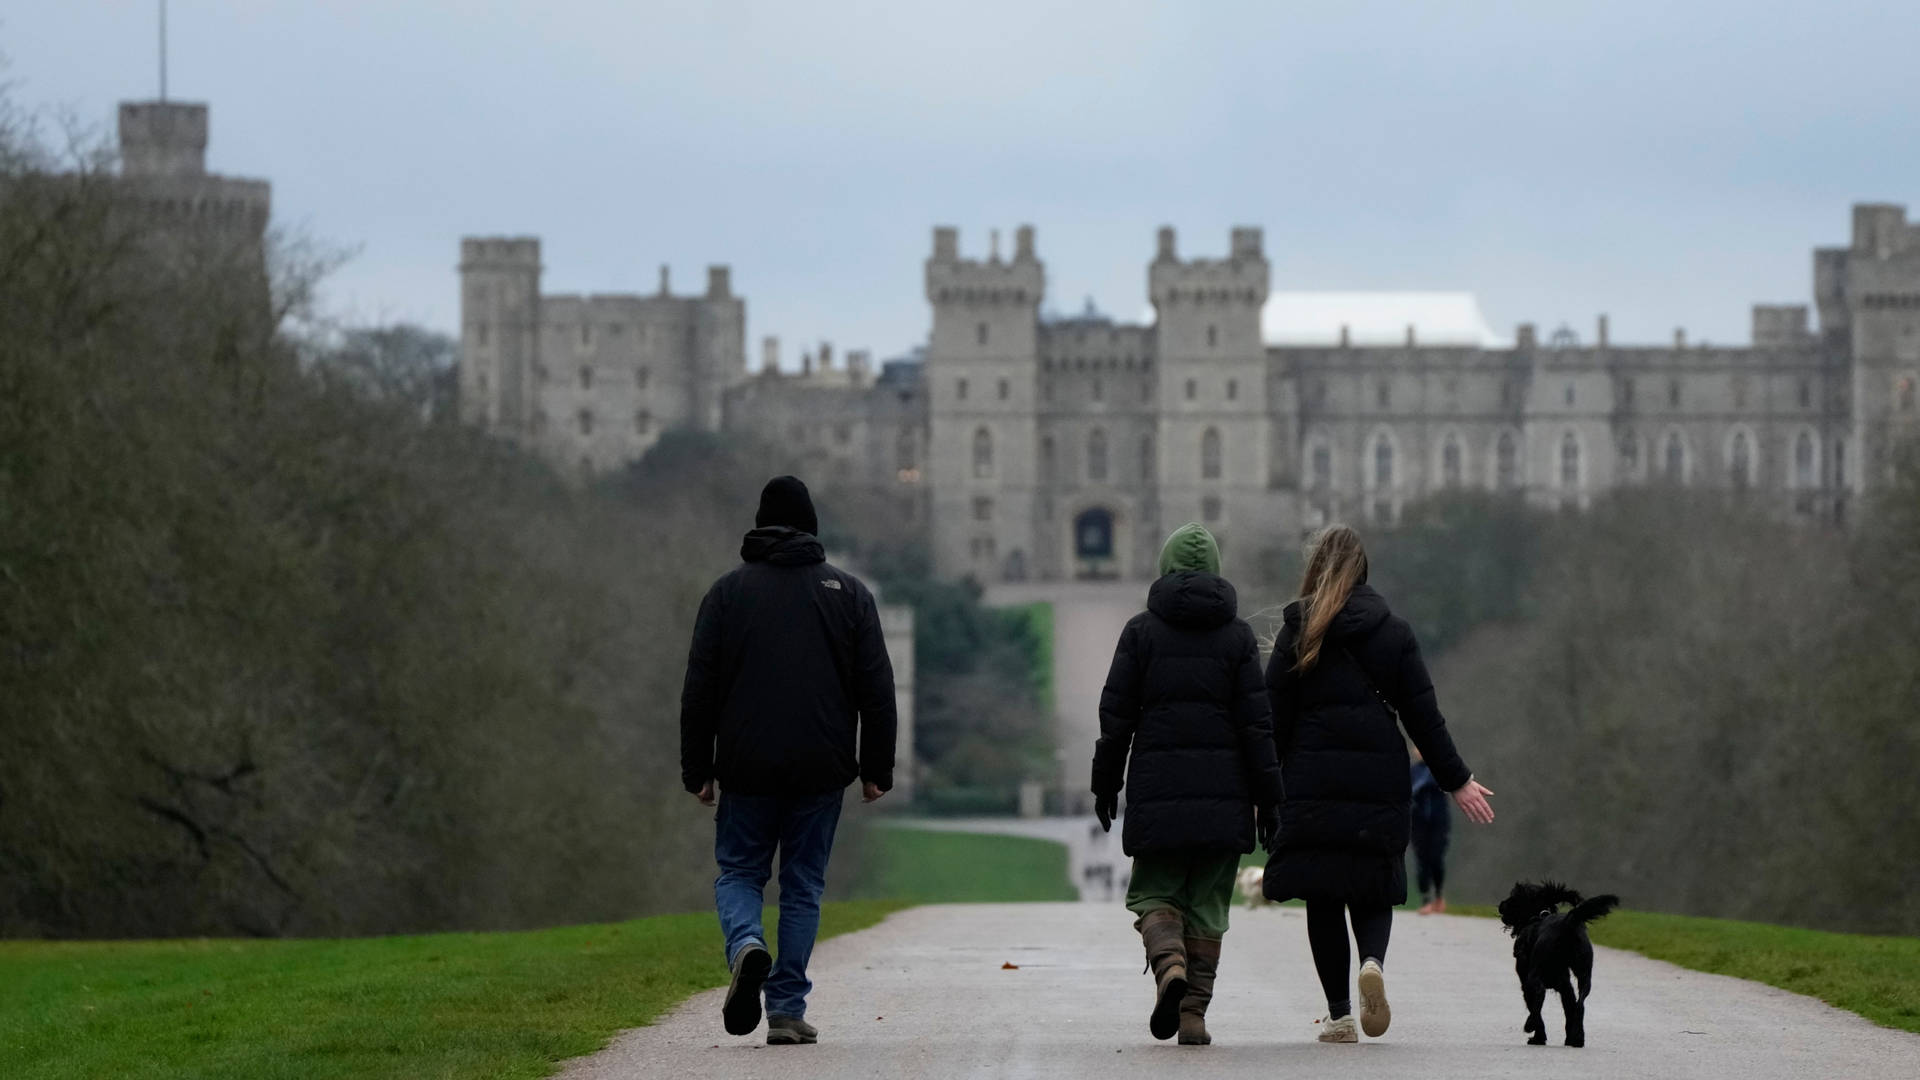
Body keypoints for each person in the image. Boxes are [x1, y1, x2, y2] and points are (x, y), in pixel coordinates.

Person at [678, 475, 898, 1046]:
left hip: (746, 763)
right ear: (812, 527)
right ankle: (785, 1008)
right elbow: (876, 688)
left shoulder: (726, 594)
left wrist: (696, 767)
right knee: (802, 886)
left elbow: (699, 690)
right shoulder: (848, 594)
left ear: (759, 525)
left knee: (740, 871)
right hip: (821, 764)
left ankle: (747, 943)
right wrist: (877, 767)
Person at [1263, 524, 1494, 1044]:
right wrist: (1458, 780)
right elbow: (1424, 719)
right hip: (1377, 778)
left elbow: (1270, 719)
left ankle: (1341, 1015)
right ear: (1364, 572)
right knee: (1372, 884)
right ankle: (1372, 963)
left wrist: (1263, 789)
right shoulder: (1394, 633)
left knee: (1323, 896)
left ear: (1316, 570)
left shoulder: (1299, 631)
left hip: (1312, 779)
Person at [1092, 523, 1284, 1046]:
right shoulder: (1240, 636)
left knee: (1155, 892)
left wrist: (1104, 783)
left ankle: (1169, 964)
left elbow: (1116, 719)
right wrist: (1271, 801)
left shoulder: (1140, 632)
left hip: (1159, 794)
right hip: (1226, 801)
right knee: (1208, 906)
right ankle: (1194, 1014)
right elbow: (1256, 726)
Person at [1408, 749, 1451, 914]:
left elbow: (1447, 784)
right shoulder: (1413, 771)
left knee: (1436, 858)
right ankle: (1426, 900)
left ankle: (1439, 896)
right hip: (1418, 822)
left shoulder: (1440, 769)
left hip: (1439, 822)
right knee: (1421, 860)